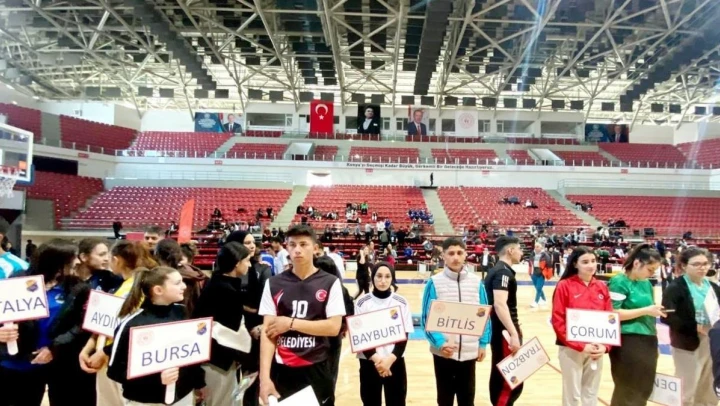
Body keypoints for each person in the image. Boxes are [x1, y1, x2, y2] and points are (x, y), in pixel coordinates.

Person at [258, 225, 346, 405]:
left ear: (315, 248)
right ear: (287, 247)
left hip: (317, 367)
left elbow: (333, 327)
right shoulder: (273, 284)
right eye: (292, 245)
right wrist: (264, 378)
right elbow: (268, 334)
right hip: (282, 370)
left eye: (303, 244)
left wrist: (290, 323)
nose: (297, 249)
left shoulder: (330, 282)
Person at [0, 239, 93, 405]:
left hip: (55, 362)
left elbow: (80, 325)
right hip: (16, 362)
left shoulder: (78, 287)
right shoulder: (18, 279)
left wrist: (54, 348)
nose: (78, 262)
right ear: (56, 261)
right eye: (73, 258)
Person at [107, 266, 207, 405]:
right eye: (177, 283)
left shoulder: (184, 312)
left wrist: (199, 383)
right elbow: (115, 371)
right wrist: (156, 379)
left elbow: (191, 357)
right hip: (147, 401)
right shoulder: (132, 324)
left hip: (183, 396)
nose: (184, 286)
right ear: (158, 290)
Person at [421, 238, 491, 406]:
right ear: (443, 255)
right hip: (443, 353)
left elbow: (484, 315)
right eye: (451, 253)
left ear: (466, 254)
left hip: (469, 352)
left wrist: (483, 343)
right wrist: (440, 343)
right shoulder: (434, 283)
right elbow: (427, 318)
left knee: (467, 400)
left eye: (459, 253)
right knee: (444, 400)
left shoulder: (476, 283)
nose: (456, 257)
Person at [193, 242, 254, 406]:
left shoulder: (217, 283)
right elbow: (229, 332)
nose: (249, 265)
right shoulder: (225, 290)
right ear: (237, 263)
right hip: (218, 362)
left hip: (216, 359)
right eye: (247, 260)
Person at [551, 246, 612, 406]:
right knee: (573, 395)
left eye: (593, 261)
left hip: (595, 348)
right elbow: (558, 320)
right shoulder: (564, 285)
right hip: (571, 349)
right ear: (575, 264)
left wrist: (605, 346)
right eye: (585, 262)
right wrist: (580, 346)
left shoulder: (602, 287)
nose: (591, 265)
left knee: (591, 394)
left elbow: (610, 319)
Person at [607, 244, 666, 406]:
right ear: (637, 263)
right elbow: (613, 313)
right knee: (627, 388)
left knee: (644, 387)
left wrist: (654, 342)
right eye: (650, 269)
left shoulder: (646, 284)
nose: (652, 274)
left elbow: (650, 313)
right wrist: (646, 310)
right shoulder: (619, 281)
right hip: (626, 339)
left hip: (648, 339)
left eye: (654, 270)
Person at [661, 247, 720, 406]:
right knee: (687, 388)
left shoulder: (713, 287)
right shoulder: (675, 288)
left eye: (705, 264)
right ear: (684, 266)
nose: (702, 268)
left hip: (712, 341)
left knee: (708, 387)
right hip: (687, 342)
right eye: (696, 264)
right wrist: (695, 327)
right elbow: (667, 316)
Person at [356, 261, 412, 406]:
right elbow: (359, 336)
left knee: (397, 401)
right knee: (370, 401)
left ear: (392, 278)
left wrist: (390, 359)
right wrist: (377, 360)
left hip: (395, 360)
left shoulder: (401, 302)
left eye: (387, 277)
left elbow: (404, 335)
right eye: (379, 276)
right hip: (369, 361)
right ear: (373, 277)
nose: (383, 281)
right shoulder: (362, 303)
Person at [485, 235, 524, 406]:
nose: (521, 253)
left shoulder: (499, 270)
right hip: (504, 333)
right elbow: (500, 305)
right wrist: (513, 333)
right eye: (519, 249)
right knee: (509, 377)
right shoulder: (502, 272)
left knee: (503, 372)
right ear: (510, 250)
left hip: (502, 330)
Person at [314, 255, 354, 390]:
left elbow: (349, 313)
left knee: (328, 372)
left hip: (329, 338)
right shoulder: (340, 289)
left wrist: (343, 327)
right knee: (327, 371)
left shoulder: (339, 290)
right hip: (318, 337)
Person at [530, 243, 551, 309]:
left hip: (541, 273)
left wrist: (548, 274)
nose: (536, 248)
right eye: (535, 246)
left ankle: (536, 302)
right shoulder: (532, 254)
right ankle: (544, 300)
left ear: (541, 248)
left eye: (538, 246)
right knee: (537, 288)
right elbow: (530, 263)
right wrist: (530, 272)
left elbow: (549, 265)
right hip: (534, 273)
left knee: (539, 288)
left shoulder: (545, 255)